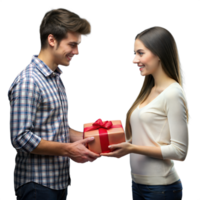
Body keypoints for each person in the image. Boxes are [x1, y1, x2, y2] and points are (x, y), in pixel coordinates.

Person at [7, 7, 100, 200]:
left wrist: (92, 138)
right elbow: (20, 137)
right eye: (72, 44)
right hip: (37, 185)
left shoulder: (55, 76)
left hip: (56, 181)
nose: (76, 52)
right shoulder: (29, 81)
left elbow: (54, 127)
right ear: (52, 40)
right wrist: (68, 149)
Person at [100, 26, 189, 200]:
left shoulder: (173, 93)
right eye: (135, 54)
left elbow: (180, 151)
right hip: (138, 184)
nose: (135, 60)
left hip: (161, 188)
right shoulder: (148, 90)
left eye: (141, 53)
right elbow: (149, 137)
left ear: (159, 53)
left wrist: (132, 148)